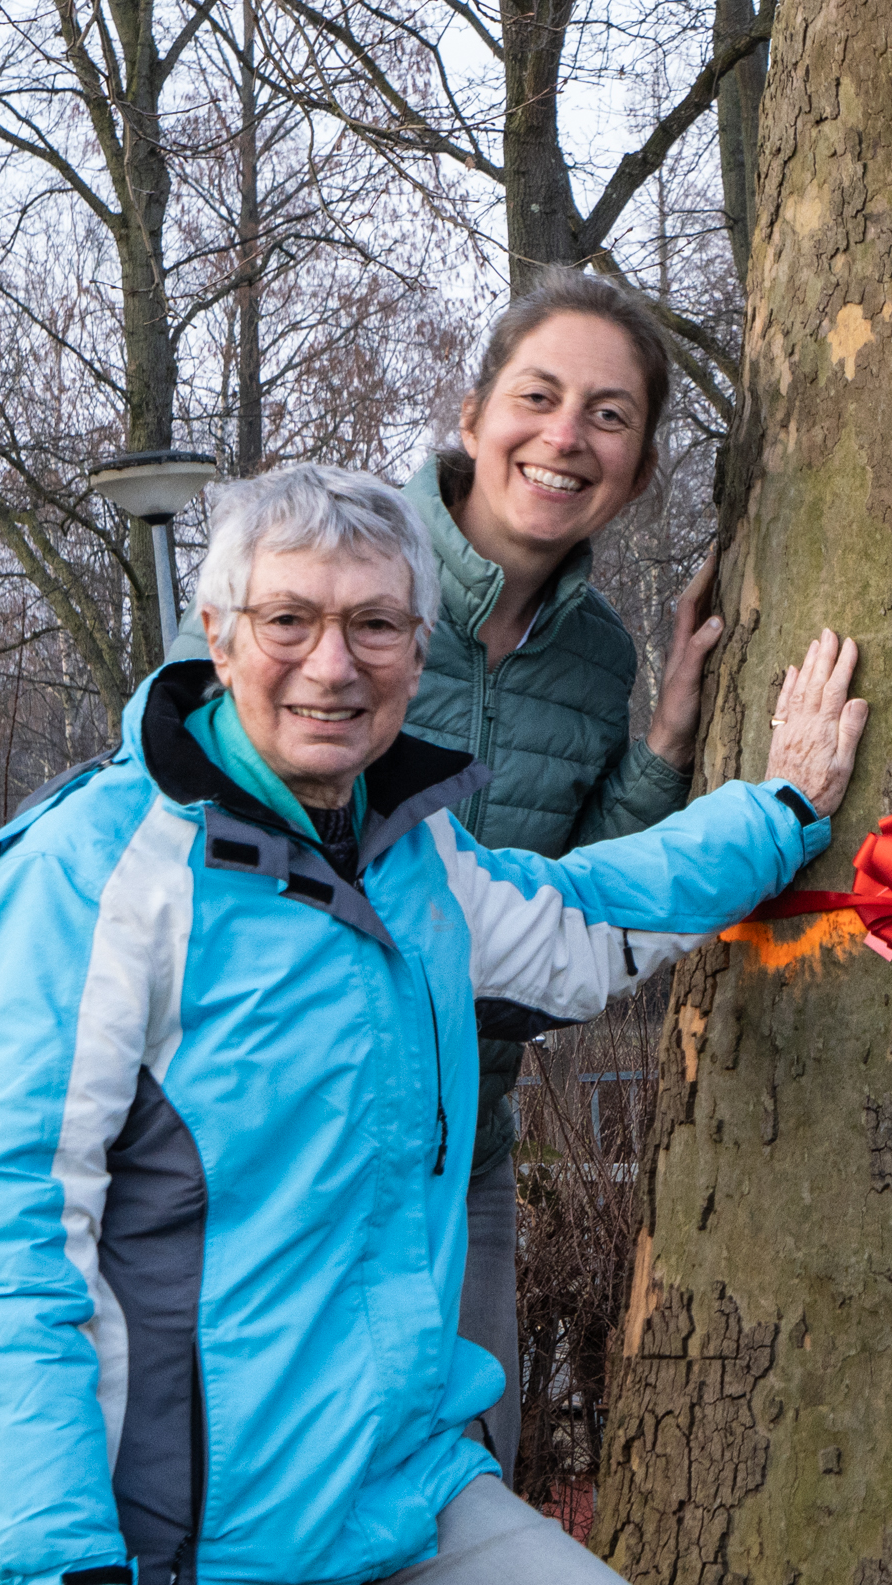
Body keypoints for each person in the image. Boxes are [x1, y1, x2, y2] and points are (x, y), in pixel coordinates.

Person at [0, 463, 869, 1584]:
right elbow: (4, 1246)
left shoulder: (414, 854)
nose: (333, 664)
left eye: (374, 624)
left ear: (418, 653)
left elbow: (585, 914)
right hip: (195, 1545)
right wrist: (56, 1563)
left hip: (407, 1492)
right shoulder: (89, 873)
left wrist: (782, 810)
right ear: (218, 639)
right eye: (291, 620)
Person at [167, 268, 721, 1478]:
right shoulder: (323, 571)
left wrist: (669, 744)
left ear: (634, 468)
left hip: (460, 1152)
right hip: (271, 1159)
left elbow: (563, 905)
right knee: (257, 1501)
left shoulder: (597, 657)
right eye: (539, 393)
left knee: (462, 1486)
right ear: (472, 415)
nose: (566, 435)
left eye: (610, 414)